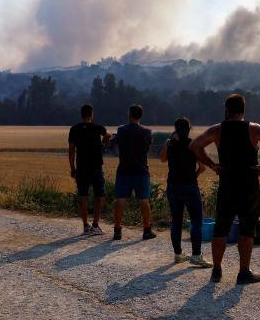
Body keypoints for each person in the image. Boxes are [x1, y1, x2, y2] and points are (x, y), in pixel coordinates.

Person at [189, 93, 260, 285]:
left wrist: (212, 164)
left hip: (227, 185)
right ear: (243, 110)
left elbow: (194, 145)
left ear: (226, 110)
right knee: (246, 230)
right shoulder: (254, 129)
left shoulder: (217, 130)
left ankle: (216, 271)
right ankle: (243, 272)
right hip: (249, 185)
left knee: (221, 229)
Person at [160, 117, 213, 267]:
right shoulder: (193, 144)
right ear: (189, 129)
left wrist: (170, 141)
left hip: (173, 186)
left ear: (175, 129)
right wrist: (194, 175)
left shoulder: (169, 144)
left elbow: (162, 159)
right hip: (190, 186)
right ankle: (196, 256)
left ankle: (178, 254)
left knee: (176, 221)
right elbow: (202, 167)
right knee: (196, 220)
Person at [112, 104, 157, 241]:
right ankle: (146, 229)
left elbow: (117, 146)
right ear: (141, 116)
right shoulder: (147, 131)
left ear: (129, 114)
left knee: (120, 199)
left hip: (124, 169)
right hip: (141, 170)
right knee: (144, 200)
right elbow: (148, 150)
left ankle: (117, 230)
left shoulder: (121, 130)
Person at [68, 104, 110, 235]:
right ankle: (95, 225)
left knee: (83, 197)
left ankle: (85, 225)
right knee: (99, 196)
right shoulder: (98, 128)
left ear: (81, 114)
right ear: (91, 114)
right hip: (96, 167)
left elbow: (71, 150)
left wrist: (72, 168)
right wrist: (102, 143)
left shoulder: (74, 129)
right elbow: (108, 135)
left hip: (81, 167)